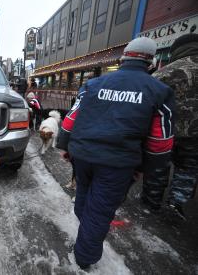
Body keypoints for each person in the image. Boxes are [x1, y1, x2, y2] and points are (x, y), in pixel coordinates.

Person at [56, 37, 174, 269]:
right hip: (117, 164)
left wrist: (65, 147)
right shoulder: (159, 91)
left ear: (124, 58)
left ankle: (86, 234)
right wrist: (146, 169)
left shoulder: (93, 85)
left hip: (83, 157)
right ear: (151, 61)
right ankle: (84, 260)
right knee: (98, 213)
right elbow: (160, 140)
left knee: (85, 202)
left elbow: (71, 119)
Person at [142, 33, 198, 219]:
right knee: (188, 168)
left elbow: (148, 103)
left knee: (159, 165)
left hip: (164, 131)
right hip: (195, 135)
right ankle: (177, 201)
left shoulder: (163, 73)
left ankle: (152, 200)